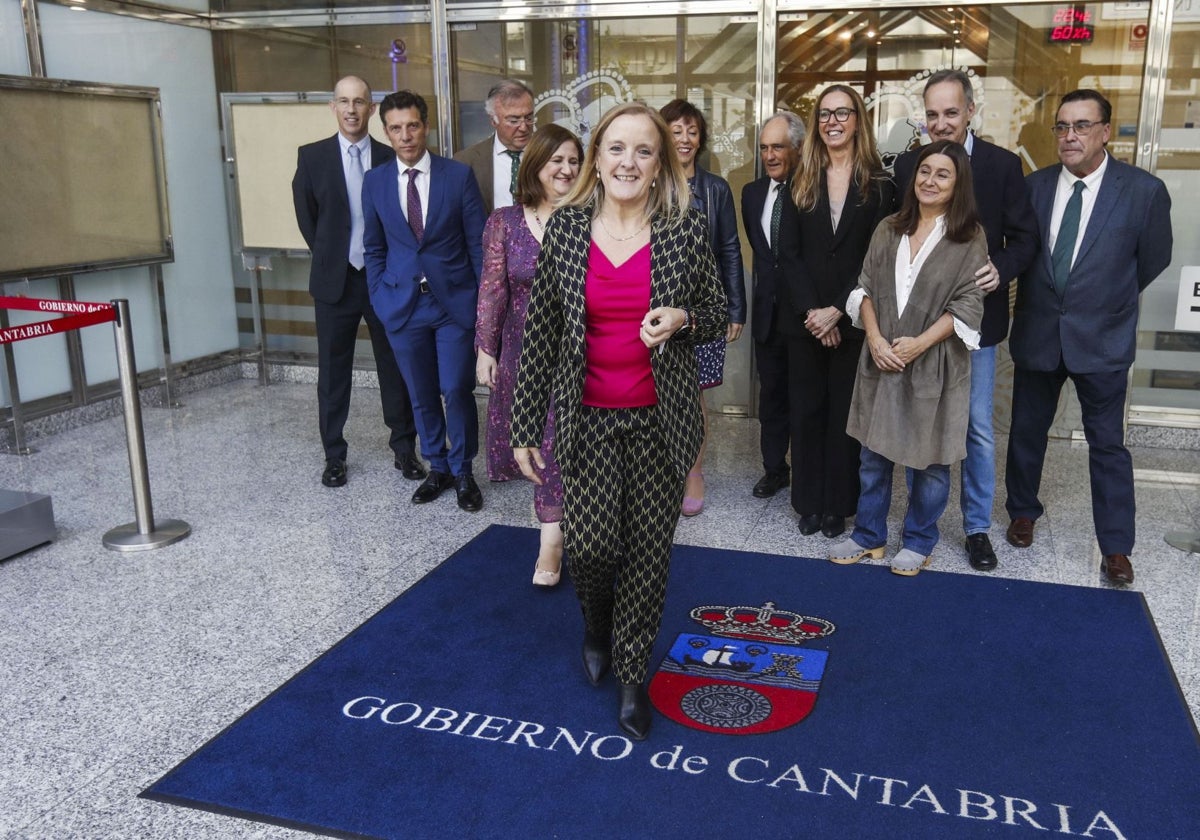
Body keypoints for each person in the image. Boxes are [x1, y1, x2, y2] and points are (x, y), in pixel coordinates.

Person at [510, 102, 727, 740]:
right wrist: (526, 423)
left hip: (662, 422)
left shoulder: (683, 230)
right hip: (590, 422)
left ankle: (634, 676)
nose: (628, 162)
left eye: (644, 151)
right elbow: (543, 335)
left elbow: (716, 310)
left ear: (660, 165)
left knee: (648, 554)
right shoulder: (569, 232)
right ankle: (595, 625)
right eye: (616, 149)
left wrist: (683, 318)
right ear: (597, 160)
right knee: (594, 547)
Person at [1004, 89, 1173, 586]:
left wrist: (1104, 299)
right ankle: (1022, 511)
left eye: (1081, 126)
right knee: (1026, 432)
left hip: (1102, 338)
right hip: (1039, 332)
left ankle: (1116, 546)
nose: (1069, 136)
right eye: (1061, 127)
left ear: (1104, 131)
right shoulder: (1033, 188)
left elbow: (1153, 259)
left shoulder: (1142, 191)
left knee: (1108, 445)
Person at [893, 69, 1038, 572]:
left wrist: (1002, 268)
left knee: (976, 428)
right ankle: (919, 523)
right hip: (920, 326)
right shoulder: (910, 164)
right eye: (932, 114)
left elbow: (1024, 239)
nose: (941, 123)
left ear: (971, 111)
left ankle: (977, 527)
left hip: (978, 324)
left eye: (951, 112)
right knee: (921, 420)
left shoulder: (1001, 166)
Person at [827, 140, 985, 576]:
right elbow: (863, 288)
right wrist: (875, 338)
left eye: (942, 174)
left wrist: (919, 343)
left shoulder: (968, 237)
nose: (930, 181)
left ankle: (919, 540)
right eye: (924, 171)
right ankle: (868, 536)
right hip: (881, 357)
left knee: (930, 461)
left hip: (933, 363)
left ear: (958, 185)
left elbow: (970, 304)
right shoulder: (889, 228)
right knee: (872, 457)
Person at [291, 75, 424, 488]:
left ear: (371, 109)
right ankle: (334, 455)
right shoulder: (312, 157)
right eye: (344, 102)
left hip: (384, 281)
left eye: (360, 102)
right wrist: (336, 258)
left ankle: (405, 449)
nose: (351, 109)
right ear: (333, 107)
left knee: (396, 367)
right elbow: (308, 219)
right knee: (333, 373)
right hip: (336, 283)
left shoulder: (391, 157)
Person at [362, 90, 488, 512]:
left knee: (455, 388)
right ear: (386, 132)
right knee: (420, 393)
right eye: (395, 128)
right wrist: (380, 297)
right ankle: (438, 467)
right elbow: (373, 248)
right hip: (401, 305)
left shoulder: (457, 176)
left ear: (425, 126)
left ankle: (464, 469)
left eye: (412, 125)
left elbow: (477, 245)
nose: (405, 135)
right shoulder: (375, 181)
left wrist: (477, 303)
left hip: (453, 304)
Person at [786, 85, 895, 539]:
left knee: (844, 418)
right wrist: (815, 311)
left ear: (857, 121)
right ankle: (808, 502)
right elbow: (788, 255)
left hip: (854, 317)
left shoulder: (882, 184)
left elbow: (877, 257)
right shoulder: (799, 178)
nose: (832, 122)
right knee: (807, 411)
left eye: (842, 113)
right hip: (807, 320)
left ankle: (837, 505)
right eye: (825, 114)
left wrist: (839, 310)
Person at [475, 125, 582, 585]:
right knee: (538, 443)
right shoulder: (505, 221)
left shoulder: (591, 218)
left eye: (574, 161)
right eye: (556, 160)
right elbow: (492, 290)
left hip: (581, 352)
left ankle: (551, 538)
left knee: (564, 441)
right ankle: (557, 528)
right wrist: (485, 347)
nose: (566, 169)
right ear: (535, 165)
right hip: (524, 353)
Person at [659, 99, 746, 516]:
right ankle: (658, 472)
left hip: (702, 310)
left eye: (691, 131)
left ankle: (693, 471)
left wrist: (735, 308)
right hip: (652, 308)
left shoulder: (716, 189)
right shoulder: (647, 183)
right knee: (651, 393)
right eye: (675, 131)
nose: (684, 139)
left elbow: (730, 249)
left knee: (692, 397)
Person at [740, 111, 805, 500]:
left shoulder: (813, 190)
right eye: (764, 148)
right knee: (771, 396)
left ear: (797, 149)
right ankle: (774, 468)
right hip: (767, 314)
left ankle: (810, 472)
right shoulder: (751, 194)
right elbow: (763, 255)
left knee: (805, 399)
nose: (769, 155)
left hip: (805, 316)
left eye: (777, 146)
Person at [454, 80, 536, 214]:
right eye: (513, 120)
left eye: (528, 118)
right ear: (493, 120)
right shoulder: (466, 162)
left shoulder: (550, 155)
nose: (523, 127)